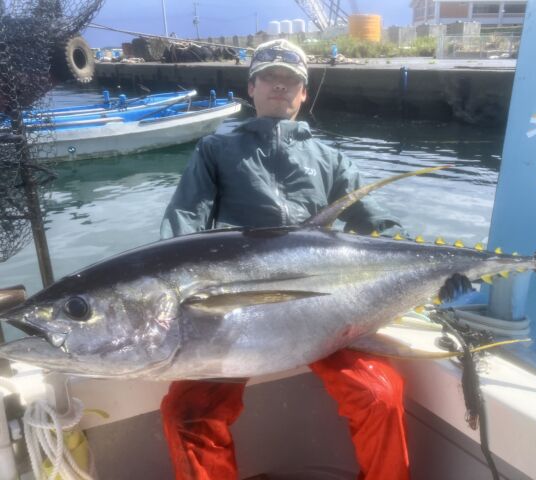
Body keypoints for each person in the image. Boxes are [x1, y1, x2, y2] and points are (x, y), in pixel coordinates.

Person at [160, 39, 410, 480]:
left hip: (323, 303)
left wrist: (425, 268)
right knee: (188, 414)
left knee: (379, 394)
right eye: (269, 78)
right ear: (251, 87)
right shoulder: (215, 149)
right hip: (237, 309)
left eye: (290, 80)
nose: (279, 86)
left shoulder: (330, 159)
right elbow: (184, 224)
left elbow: (377, 224)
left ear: (303, 93)